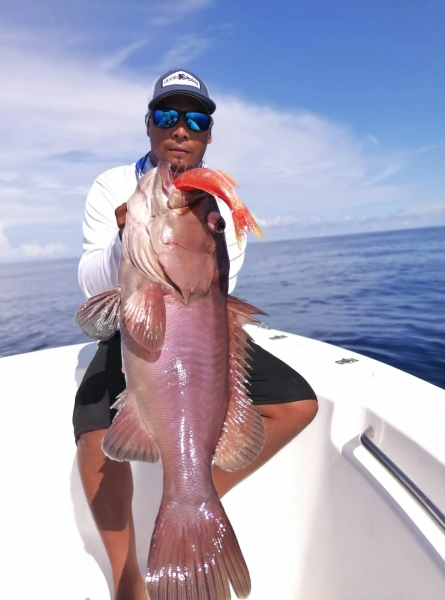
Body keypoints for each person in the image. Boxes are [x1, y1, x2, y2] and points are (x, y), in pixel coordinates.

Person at [73, 68, 318, 600]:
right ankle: (126, 580)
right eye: (167, 115)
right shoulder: (113, 185)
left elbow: (218, 283)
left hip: (192, 317)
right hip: (130, 322)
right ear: (148, 127)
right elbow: (91, 278)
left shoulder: (224, 203)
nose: (180, 129)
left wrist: (177, 231)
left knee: (298, 403)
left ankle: (192, 503)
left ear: (208, 133)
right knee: (94, 437)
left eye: (195, 118)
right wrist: (127, 241)